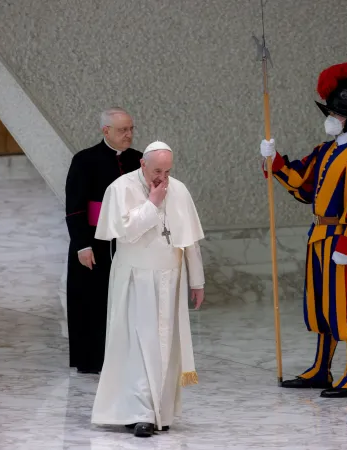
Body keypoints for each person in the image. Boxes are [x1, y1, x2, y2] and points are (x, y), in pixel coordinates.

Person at [260, 62, 347, 398]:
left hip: (343, 242)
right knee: (322, 307)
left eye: (334, 112)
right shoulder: (326, 151)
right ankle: (321, 369)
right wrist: (275, 161)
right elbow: (303, 185)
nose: (329, 116)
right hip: (318, 240)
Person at [90, 141, 205, 438]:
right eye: (157, 170)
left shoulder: (178, 189)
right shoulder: (121, 188)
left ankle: (160, 412)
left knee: (165, 345)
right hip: (135, 279)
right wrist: (152, 203)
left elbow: (189, 239)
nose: (162, 177)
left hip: (170, 279)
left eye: (167, 170)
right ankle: (139, 412)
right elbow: (125, 232)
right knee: (138, 345)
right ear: (142, 163)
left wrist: (197, 281)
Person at [64, 107, 143, 374]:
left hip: (129, 241)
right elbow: (75, 207)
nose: (129, 134)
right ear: (105, 130)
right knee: (93, 301)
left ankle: (129, 356)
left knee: (128, 300)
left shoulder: (139, 160)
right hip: (95, 242)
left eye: (131, 129)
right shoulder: (84, 160)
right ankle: (93, 359)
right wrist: (82, 245)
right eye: (123, 130)